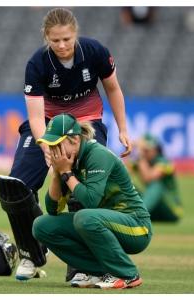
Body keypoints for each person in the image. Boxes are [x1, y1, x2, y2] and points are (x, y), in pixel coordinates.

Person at [4, 7, 132, 281]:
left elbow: (113, 89)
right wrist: (46, 147)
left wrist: (122, 128)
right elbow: (36, 116)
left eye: (67, 39)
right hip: (48, 124)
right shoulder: (36, 64)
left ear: (75, 34)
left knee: (81, 193)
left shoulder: (96, 51)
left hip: (86, 122)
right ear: (46, 38)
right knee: (15, 187)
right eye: (55, 40)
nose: (62, 46)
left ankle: (82, 268)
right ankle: (31, 254)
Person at [32, 113, 151, 289]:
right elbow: (53, 209)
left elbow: (90, 201)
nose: (53, 149)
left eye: (57, 144)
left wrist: (67, 173)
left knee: (85, 217)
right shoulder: (69, 163)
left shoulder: (97, 155)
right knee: (42, 226)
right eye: (51, 145)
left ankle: (127, 275)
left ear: (74, 139)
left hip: (136, 226)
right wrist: (57, 173)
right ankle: (99, 271)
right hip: (103, 223)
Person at [131, 134, 183, 222]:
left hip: (171, 209)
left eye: (147, 150)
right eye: (144, 150)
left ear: (155, 150)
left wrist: (140, 155)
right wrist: (131, 151)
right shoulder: (141, 161)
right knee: (127, 184)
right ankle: (126, 214)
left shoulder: (164, 162)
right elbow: (123, 174)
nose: (145, 152)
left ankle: (140, 214)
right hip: (153, 209)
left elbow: (148, 178)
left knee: (157, 185)